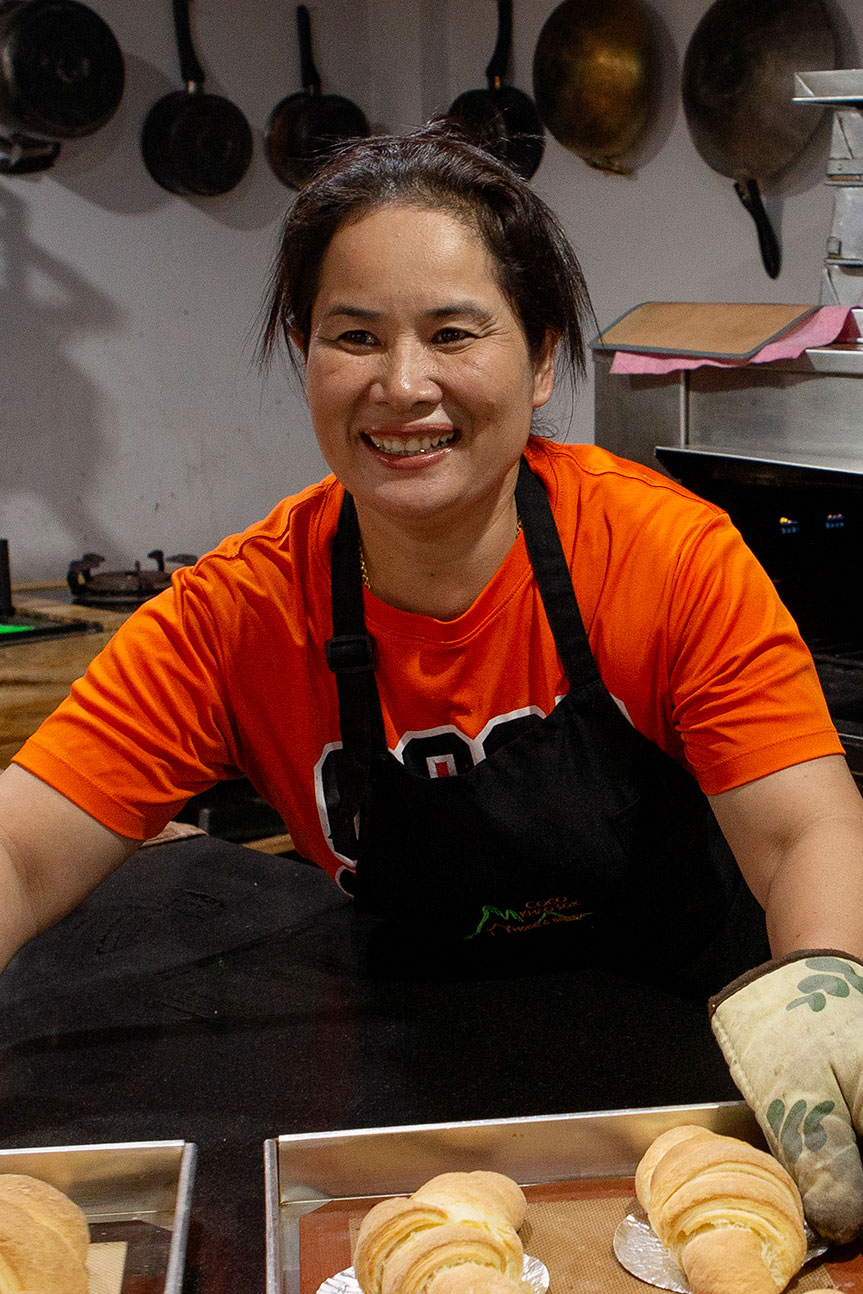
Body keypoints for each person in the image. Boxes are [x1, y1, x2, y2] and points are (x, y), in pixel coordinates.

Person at [0, 122, 862, 1241]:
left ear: (542, 355)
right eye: (353, 336)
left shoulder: (664, 556)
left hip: (683, 1063)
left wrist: (828, 1005)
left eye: (453, 333)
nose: (403, 386)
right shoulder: (241, 614)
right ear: (305, 353)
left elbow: (805, 833)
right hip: (408, 1069)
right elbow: (22, 850)